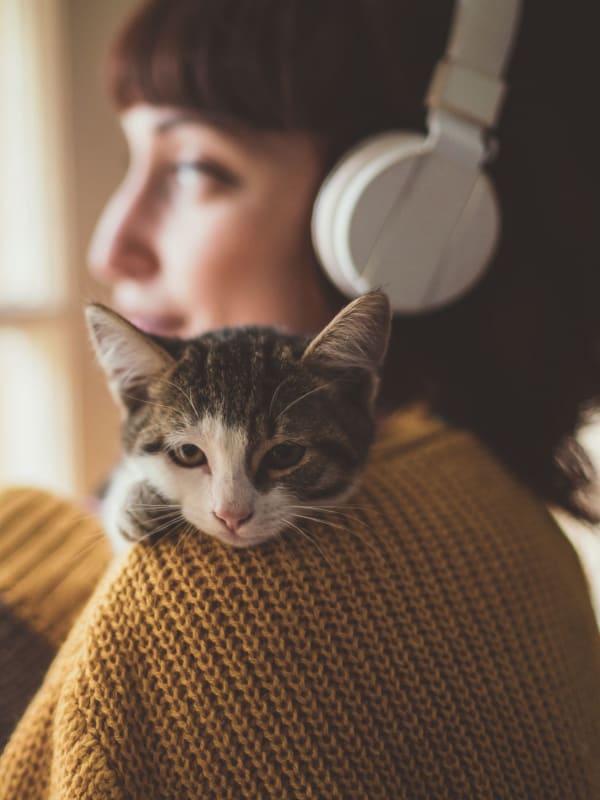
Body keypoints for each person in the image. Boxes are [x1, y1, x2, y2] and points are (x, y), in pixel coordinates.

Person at [1, 0, 599, 796]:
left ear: (404, 216)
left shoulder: (223, 616)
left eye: (195, 168)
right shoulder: (501, 517)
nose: (110, 243)